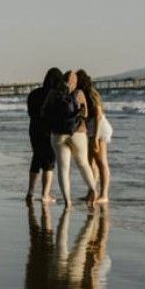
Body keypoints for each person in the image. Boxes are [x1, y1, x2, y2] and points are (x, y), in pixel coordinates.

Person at [43, 70, 98, 206]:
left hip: (57, 135)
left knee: (63, 169)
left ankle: (68, 202)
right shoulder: (79, 93)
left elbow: (43, 112)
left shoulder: (53, 93)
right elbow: (85, 114)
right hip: (78, 133)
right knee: (83, 164)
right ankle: (93, 190)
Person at [76, 69, 113, 203]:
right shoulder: (81, 94)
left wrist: (95, 139)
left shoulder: (90, 94)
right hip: (91, 128)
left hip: (99, 128)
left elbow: (97, 115)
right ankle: (92, 192)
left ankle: (104, 195)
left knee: (101, 162)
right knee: (90, 162)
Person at [26, 68, 60, 202]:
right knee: (49, 162)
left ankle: (30, 192)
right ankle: (46, 195)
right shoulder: (55, 94)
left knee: (36, 158)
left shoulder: (33, 93)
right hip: (48, 130)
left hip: (33, 128)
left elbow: (30, 112)